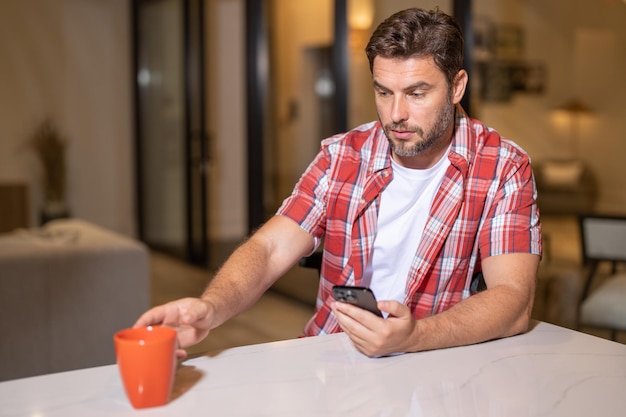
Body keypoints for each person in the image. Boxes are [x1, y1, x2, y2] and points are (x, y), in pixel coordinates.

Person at [135, 7, 542, 358]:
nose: (396, 114)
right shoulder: (344, 155)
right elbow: (270, 246)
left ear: (456, 87)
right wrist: (210, 308)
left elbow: (513, 301)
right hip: (331, 356)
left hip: (437, 363)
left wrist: (416, 336)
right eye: (383, 92)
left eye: (417, 93)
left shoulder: (502, 167)